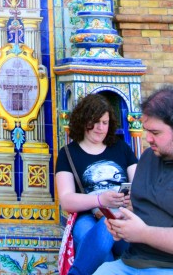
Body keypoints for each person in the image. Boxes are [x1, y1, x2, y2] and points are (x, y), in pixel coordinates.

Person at [93, 86, 173, 275]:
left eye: (156, 133)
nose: (148, 138)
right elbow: (141, 208)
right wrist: (122, 222)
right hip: (133, 262)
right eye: (146, 131)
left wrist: (142, 233)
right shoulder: (149, 156)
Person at [55, 93, 136, 275]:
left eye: (105, 123)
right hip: (88, 216)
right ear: (83, 121)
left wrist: (132, 199)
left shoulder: (121, 148)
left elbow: (141, 185)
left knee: (112, 234)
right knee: (95, 239)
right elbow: (67, 200)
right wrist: (100, 200)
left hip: (125, 214)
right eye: (95, 122)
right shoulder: (68, 153)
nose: (100, 128)